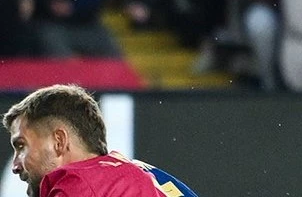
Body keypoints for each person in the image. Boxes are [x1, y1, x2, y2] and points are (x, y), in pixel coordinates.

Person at [4, 84, 198, 196]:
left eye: (21, 146)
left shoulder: (78, 184)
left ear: (59, 141)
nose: (15, 165)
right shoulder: (144, 173)